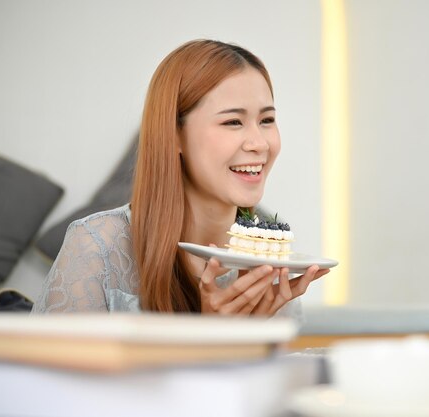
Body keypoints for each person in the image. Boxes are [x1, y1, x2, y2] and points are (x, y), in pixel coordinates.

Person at [32, 39, 329, 316]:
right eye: (233, 121)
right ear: (174, 135)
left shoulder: (270, 264)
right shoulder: (97, 246)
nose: (259, 143)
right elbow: (55, 372)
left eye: (266, 120)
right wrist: (212, 341)